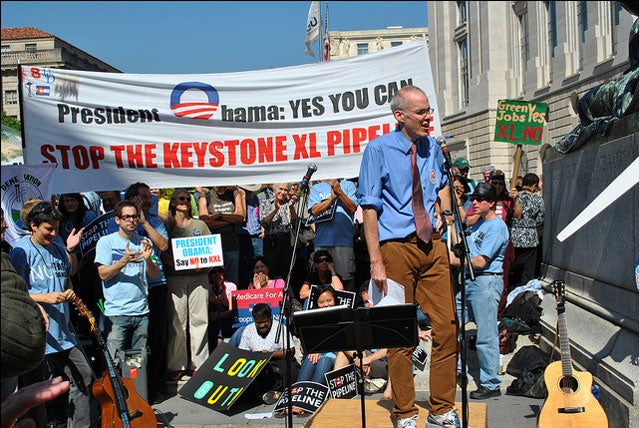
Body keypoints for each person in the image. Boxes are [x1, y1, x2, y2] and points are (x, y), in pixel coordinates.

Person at [356, 85, 460, 428]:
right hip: (395, 248)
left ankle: (442, 409)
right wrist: (376, 262)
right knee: (400, 334)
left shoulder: (433, 147)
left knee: (447, 328)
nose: (428, 117)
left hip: (432, 247)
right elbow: (369, 208)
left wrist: (444, 215)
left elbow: (442, 184)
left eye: (429, 110)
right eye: (421, 112)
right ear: (399, 116)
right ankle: (403, 412)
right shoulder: (378, 150)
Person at [9, 201, 95, 427]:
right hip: (37, 335)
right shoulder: (21, 251)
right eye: (48, 228)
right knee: (38, 392)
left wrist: (71, 251)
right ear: (33, 226)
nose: (53, 233)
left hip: (64, 332)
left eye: (56, 228)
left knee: (83, 377)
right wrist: (45, 298)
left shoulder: (57, 247)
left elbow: (70, 274)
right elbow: (13, 292)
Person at [448, 182, 509, 400]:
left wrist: (453, 260)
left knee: (485, 335)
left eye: (479, 199)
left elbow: (481, 261)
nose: (474, 202)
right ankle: (456, 370)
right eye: (473, 198)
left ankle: (491, 382)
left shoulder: (497, 227)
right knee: (452, 324)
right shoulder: (478, 224)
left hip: (485, 282)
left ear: (491, 203)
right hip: (469, 282)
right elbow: (465, 247)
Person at [94, 200, 158, 375]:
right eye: (126, 217)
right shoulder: (106, 242)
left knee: (137, 364)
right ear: (117, 220)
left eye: (134, 217)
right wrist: (124, 260)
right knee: (113, 363)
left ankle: (136, 398)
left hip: (141, 311)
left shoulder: (143, 241)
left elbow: (153, 274)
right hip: (116, 312)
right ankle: (114, 400)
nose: (131, 220)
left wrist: (148, 259)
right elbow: (103, 274)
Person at [123, 182, 170, 404]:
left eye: (149, 196)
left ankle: (156, 386)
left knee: (157, 339)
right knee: (135, 341)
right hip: (132, 287)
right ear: (131, 199)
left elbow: (162, 245)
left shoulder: (155, 222)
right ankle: (135, 389)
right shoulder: (121, 223)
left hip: (156, 286)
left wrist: (144, 222)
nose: (147, 200)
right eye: (142, 196)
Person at [162, 189, 212, 381]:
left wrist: (204, 264)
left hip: (199, 278)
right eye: (180, 198)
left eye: (187, 199)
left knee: (200, 320)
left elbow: (211, 251)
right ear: (173, 202)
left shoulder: (200, 224)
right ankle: (177, 364)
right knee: (177, 322)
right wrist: (175, 262)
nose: (184, 202)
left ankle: (200, 364)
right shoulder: (166, 226)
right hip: (175, 278)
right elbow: (162, 251)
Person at [237, 303, 298, 404]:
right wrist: (254, 354)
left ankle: (288, 394)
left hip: (276, 357)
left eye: (264, 322)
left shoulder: (280, 328)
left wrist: (270, 354)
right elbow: (242, 351)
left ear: (270, 318)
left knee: (290, 368)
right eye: (258, 323)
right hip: (255, 359)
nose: (261, 325)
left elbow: (291, 350)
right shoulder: (248, 330)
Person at [307, 178, 358, 291]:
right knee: (323, 280)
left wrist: (339, 191)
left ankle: (347, 307)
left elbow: (352, 207)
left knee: (346, 279)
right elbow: (314, 210)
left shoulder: (348, 185)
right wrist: (331, 199)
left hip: (343, 243)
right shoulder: (316, 188)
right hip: (322, 242)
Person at [198, 185, 246, 286]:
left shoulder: (234, 194)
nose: (222, 188)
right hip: (212, 247)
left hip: (231, 245)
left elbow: (240, 216)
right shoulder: (205, 196)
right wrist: (230, 220)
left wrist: (218, 216)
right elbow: (204, 222)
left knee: (232, 281)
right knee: (213, 281)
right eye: (219, 186)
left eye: (224, 186)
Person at [296, 285, 338, 387]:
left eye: (329, 300)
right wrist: (311, 349)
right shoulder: (312, 320)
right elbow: (303, 348)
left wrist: (320, 349)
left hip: (334, 356)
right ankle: (299, 393)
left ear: (335, 300)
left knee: (324, 360)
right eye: (321, 302)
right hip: (313, 356)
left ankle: (314, 392)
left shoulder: (341, 317)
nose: (326, 305)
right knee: (311, 360)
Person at [509, 173, 545, 290]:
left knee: (514, 266)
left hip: (514, 235)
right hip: (530, 237)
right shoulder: (538, 200)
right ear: (534, 186)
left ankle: (512, 287)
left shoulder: (513, 198)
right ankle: (524, 291)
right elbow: (540, 219)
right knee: (528, 269)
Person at [259, 182, 298, 280]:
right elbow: (264, 222)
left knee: (286, 272)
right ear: (274, 189)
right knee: (271, 272)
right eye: (280, 189)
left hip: (286, 240)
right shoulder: (266, 202)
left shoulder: (289, 203)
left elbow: (295, 221)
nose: (283, 192)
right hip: (271, 241)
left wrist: (291, 207)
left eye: (285, 190)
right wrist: (275, 210)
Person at [207, 265, 237, 350]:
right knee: (212, 307)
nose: (217, 274)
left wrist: (219, 315)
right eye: (214, 272)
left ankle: (219, 339)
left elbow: (232, 311)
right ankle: (218, 338)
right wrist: (209, 300)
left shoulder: (231, 286)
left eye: (220, 271)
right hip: (213, 321)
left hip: (227, 319)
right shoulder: (207, 288)